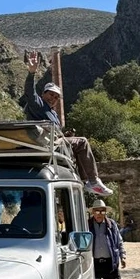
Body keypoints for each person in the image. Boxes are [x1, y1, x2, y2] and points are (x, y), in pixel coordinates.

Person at [22, 52, 112, 197]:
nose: (53, 98)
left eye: (56, 97)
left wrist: (65, 135)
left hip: (55, 141)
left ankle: (86, 182)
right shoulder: (38, 104)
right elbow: (29, 92)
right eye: (51, 94)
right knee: (82, 142)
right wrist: (31, 72)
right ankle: (93, 181)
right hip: (44, 142)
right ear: (44, 94)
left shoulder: (54, 114)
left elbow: (57, 132)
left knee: (77, 146)